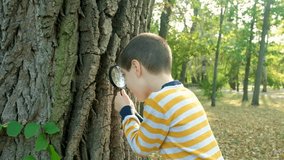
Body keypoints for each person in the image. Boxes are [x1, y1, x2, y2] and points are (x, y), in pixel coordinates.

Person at [114, 33, 223, 160]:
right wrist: (134, 113)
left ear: (136, 67)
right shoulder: (185, 94)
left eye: (124, 75)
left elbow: (141, 148)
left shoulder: (158, 101)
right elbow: (158, 130)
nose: (126, 84)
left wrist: (126, 112)